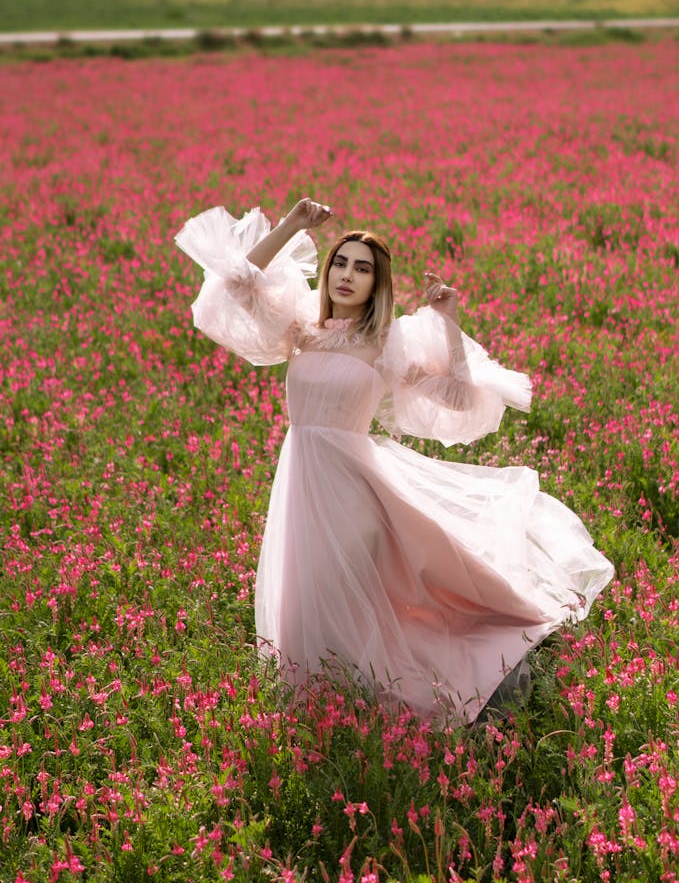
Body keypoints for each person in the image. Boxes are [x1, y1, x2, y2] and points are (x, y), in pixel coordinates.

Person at [175, 197, 613, 723]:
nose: (346, 275)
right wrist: (293, 222)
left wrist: (449, 323)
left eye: (362, 269)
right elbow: (236, 283)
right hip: (301, 477)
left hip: (352, 487)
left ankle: (371, 694)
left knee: (337, 591)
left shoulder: (385, 345)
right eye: (340, 262)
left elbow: (458, 397)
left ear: (375, 285)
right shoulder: (301, 331)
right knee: (303, 600)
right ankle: (325, 703)